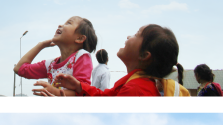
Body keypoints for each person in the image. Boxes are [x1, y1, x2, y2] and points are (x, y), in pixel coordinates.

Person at [35, 24, 183, 98]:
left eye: (136, 35)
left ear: (145, 55)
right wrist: (79, 86)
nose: (128, 37)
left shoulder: (136, 90)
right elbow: (105, 96)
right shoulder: (134, 84)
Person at [16, 17, 97, 91]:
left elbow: (82, 91)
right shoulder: (50, 65)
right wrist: (41, 45)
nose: (60, 25)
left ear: (79, 38)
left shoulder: (82, 56)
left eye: (68, 23)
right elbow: (19, 69)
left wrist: (54, 92)